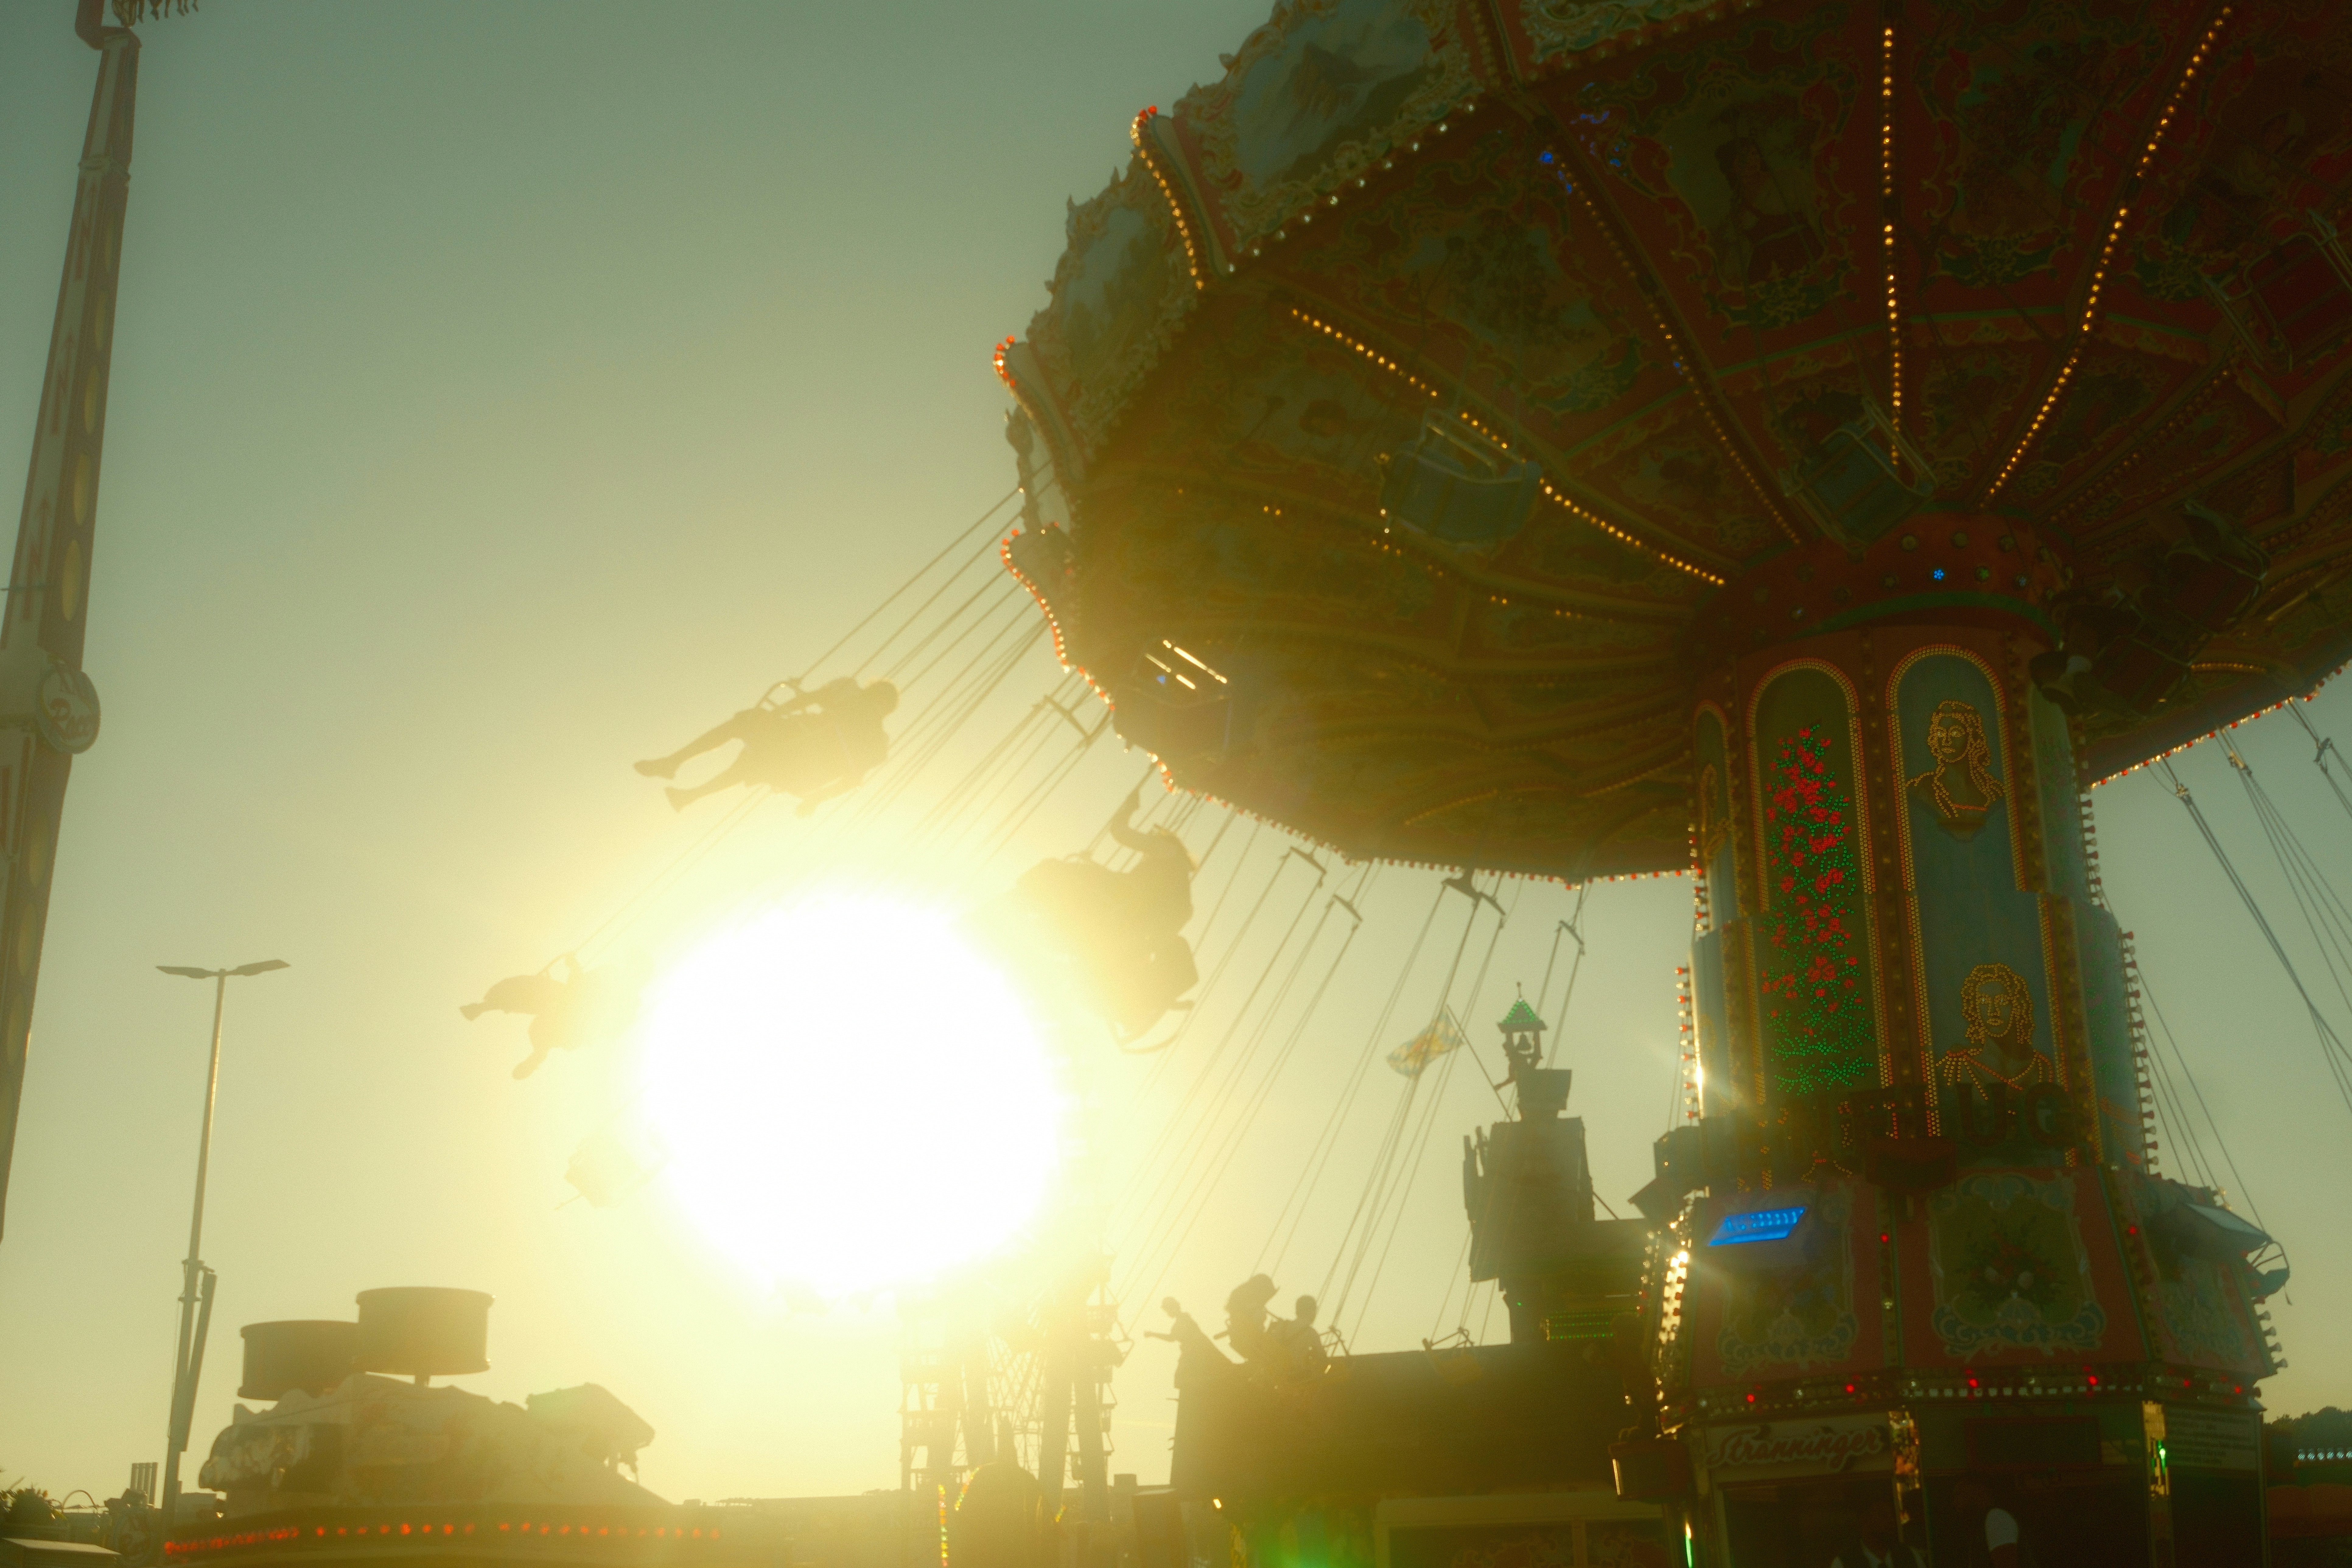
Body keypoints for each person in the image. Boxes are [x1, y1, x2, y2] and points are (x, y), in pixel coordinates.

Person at [635, 677, 897, 815]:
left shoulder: (851, 693)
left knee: (744, 723)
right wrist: (815, 800)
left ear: (872, 691)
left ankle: (674, 763)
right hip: (798, 773)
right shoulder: (879, 746)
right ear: (887, 711)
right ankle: (689, 796)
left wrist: (775, 713)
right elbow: (851, 781)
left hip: (794, 741)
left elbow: (805, 701)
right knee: (751, 767)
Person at [460, 957, 635, 1079]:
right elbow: (578, 986)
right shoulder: (598, 999)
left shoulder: (598, 998)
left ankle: (482, 1008)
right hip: (565, 1016)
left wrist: (573, 965)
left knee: (531, 1002)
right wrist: (574, 966)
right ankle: (482, 1008)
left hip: (565, 1012)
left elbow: (578, 986)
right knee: (531, 1004)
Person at [1906, 698, 2005, 841]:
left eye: (1955, 733)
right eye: (1940, 734)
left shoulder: (1994, 792)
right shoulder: (1920, 789)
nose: (1946, 740)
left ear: (1971, 737)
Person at [1830, 1489, 1924, 1568]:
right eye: (1883, 1515)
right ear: (1865, 1520)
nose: (1890, 1520)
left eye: (1891, 1515)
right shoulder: (1844, 1563)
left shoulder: (1910, 1557)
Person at [1949, 1478, 2023, 1568]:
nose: (1955, 1502)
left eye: (1959, 1493)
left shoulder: (1996, 1517)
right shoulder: (1981, 1524)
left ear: (1978, 1490)